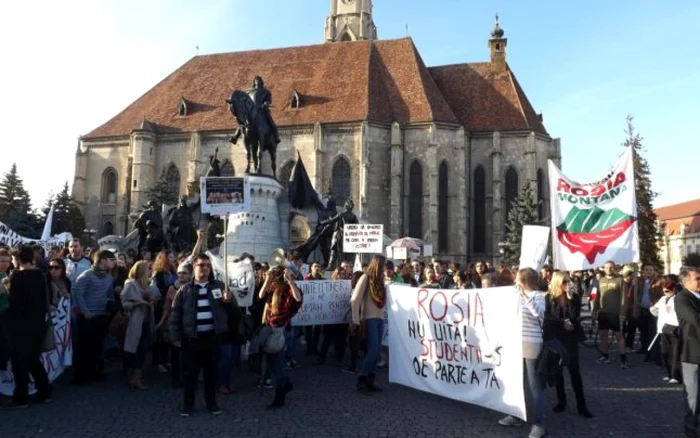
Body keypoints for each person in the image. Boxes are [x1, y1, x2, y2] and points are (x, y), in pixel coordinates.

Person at [170, 254, 232, 417]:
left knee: (211, 373)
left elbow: (232, 311)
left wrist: (229, 300)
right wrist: (175, 337)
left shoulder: (219, 287)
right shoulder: (185, 290)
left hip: (212, 338)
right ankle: (188, 405)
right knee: (190, 374)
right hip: (192, 339)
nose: (204, 268)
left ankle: (211, 403)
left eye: (207, 265)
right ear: (194, 268)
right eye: (201, 265)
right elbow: (175, 314)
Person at [498, 268, 547, 438]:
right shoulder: (516, 295)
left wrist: (525, 297)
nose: (515, 281)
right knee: (516, 384)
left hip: (532, 344)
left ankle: (538, 424)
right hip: (515, 344)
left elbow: (539, 314)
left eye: (518, 279)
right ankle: (516, 415)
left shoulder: (537, 295)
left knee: (535, 387)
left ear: (524, 280)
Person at [2, 245, 52, 409]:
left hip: (20, 326)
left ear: (17, 259)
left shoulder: (18, 277)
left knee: (19, 362)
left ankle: (21, 398)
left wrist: (7, 289)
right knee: (33, 360)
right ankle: (44, 392)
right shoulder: (40, 275)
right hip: (38, 324)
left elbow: (16, 305)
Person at [545, 271, 593, 418]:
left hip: (570, 336)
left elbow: (574, 316)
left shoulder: (575, 297)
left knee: (574, 371)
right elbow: (548, 317)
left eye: (569, 281)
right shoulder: (549, 298)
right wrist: (561, 323)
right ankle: (561, 401)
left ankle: (581, 405)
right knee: (558, 371)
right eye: (564, 282)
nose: (568, 284)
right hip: (556, 337)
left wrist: (571, 298)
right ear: (557, 282)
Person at [259, 264, 303, 408]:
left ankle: (280, 396)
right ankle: (287, 384)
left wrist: (290, 281)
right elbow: (261, 295)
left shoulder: (291, 288)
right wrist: (268, 278)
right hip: (270, 327)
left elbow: (298, 299)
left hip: (281, 330)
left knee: (278, 365)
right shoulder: (272, 287)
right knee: (273, 361)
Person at [71, 250, 117, 385]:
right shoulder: (86, 276)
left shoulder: (109, 278)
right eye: (111, 259)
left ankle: (94, 372)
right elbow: (78, 295)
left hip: (102, 316)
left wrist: (112, 301)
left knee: (97, 347)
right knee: (83, 347)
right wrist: (86, 313)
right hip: (87, 318)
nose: (114, 262)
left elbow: (109, 294)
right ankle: (79, 376)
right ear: (103, 260)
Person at [351, 255, 387, 395]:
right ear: (378, 265)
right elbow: (355, 299)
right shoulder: (366, 278)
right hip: (369, 318)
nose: (384, 268)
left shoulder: (380, 281)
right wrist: (355, 319)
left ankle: (370, 380)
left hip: (379, 318)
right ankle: (362, 380)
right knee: (372, 350)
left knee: (377, 351)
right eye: (383, 265)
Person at [120, 261, 157, 390]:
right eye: (148, 268)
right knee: (134, 349)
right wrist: (136, 304)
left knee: (142, 350)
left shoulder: (150, 285)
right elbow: (124, 304)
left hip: (147, 321)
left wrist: (152, 301)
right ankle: (134, 376)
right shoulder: (131, 285)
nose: (151, 270)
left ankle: (137, 376)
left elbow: (156, 297)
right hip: (134, 322)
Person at [675, 266, 700, 438]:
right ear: (686, 282)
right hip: (692, 354)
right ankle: (691, 432)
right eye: (697, 278)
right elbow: (696, 320)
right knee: (694, 397)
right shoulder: (681, 298)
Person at [592, 260, 629, 368]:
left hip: (615, 313)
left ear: (614, 268)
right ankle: (605, 355)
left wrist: (623, 313)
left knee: (619, 336)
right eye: (607, 267)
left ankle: (623, 359)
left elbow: (623, 298)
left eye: (611, 267)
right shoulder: (601, 280)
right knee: (603, 335)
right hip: (603, 312)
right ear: (604, 268)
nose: (609, 269)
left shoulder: (620, 280)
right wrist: (595, 309)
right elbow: (598, 296)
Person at [650, 278, 681, 384]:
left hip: (674, 328)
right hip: (663, 328)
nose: (665, 292)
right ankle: (669, 374)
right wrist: (653, 310)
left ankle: (676, 376)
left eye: (667, 290)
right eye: (664, 290)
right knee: (665, 352)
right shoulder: (663, 299)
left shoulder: (678, 299)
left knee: (675, 353)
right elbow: (656, 310)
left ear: (674, 290)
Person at [151, 250, 177, 373]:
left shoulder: (173, 272)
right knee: (159, 334)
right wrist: (170, 290)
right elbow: (156, 290)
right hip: (161, 306)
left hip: (172, 305)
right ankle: (157, 361)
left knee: (168, 334)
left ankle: (166, 359)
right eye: (170, 257)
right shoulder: (158, 274)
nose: (173, 259)